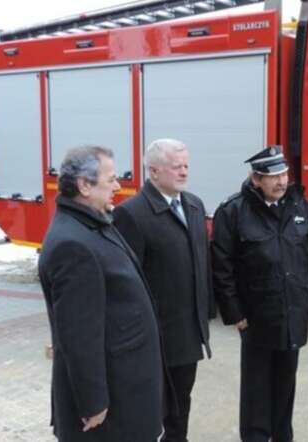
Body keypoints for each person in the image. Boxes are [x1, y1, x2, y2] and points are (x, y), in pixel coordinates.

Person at [38, 146, 163, 442]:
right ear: (84, 185)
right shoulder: (73, 244)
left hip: (128, 385)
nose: (118, 186)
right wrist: (93, 402)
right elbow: (78, 335)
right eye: (111, 179)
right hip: (110, 408)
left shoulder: (94, 223)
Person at [211, 145, 308, 442]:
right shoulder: (233, 211)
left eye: (284, 173)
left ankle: (282, 436)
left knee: (286, 386)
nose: (281, 181)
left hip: (292, 316)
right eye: (273, 176)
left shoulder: (301, 207)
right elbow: (222, 267)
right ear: (255, 180)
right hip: (257, 319)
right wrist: (235, 313)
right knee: (256, 391)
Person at [113, 139, 213, 442]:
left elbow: (202, 263)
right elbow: (127, 283)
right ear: (153, 171)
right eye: (176, 166)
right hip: (154, 337)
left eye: (186, 165)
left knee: (181, 405)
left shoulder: (194, 205)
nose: (184, 172)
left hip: (188, 334)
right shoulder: (131, 214)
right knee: (154, 411)